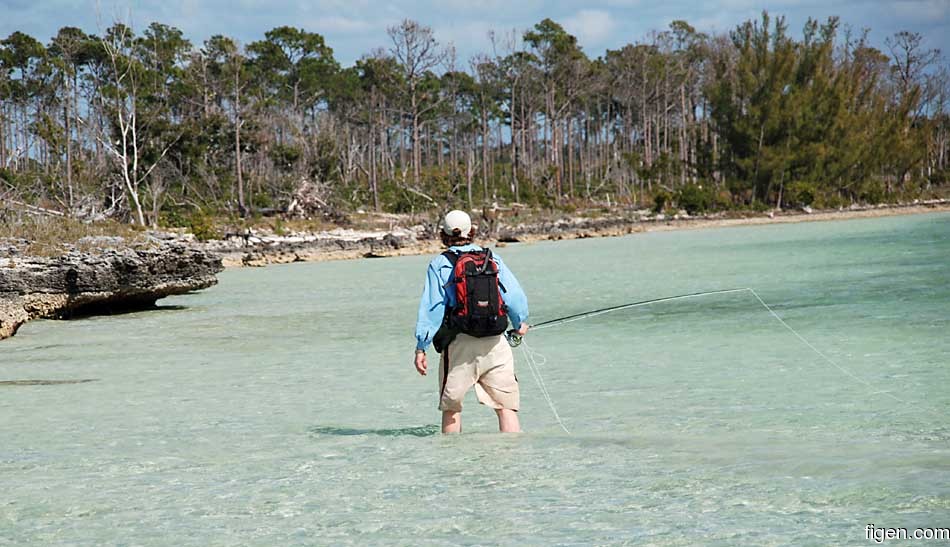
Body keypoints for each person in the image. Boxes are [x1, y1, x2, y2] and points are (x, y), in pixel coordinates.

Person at [414, 210, 529, 434]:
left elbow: (432, 308)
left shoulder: (439, 264)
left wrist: (422, 347)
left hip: (459, 345)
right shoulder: (492, 258)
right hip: (496, 342)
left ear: (444, 235)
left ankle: (453, 465)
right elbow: (514, 298)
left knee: (451, 409)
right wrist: (520, 323)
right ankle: (514, 462)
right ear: (472, 231)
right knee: (506, 408)